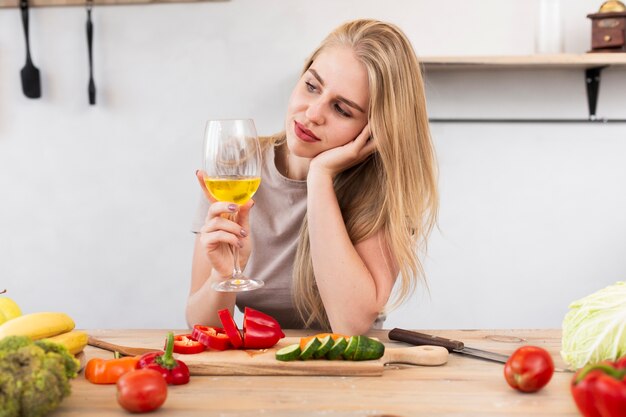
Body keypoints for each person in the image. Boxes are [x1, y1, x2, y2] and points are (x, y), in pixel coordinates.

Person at [187, 19, 438, 334]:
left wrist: (320, 176)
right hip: (260, 364)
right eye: (311, 86)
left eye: (342, 110)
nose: (313, 113)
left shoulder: (382, 190)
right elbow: (200, 325)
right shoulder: (237, 166)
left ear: (375, 128)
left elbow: (350, 325)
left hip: (348, 370)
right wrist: (221, 277)